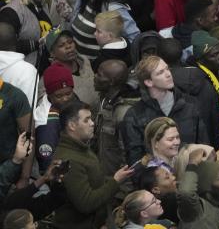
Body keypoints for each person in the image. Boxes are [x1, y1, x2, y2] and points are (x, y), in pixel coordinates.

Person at [51, 100, 135, 229]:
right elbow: (86, 203)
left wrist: (119, 177)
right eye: (86, 120)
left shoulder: (82, 148)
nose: (92, 124)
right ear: (72, 125)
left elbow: (94, 181)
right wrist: (115, 181)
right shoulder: (68, 159)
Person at [120, 56, 209, 165]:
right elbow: (135, 161)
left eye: (167, 69)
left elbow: (204, 145)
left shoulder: (190, 104)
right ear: (148, 82)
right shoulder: (135, 115)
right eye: (160, 72)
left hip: (191, 174)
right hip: (157, 179)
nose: (168, 74)